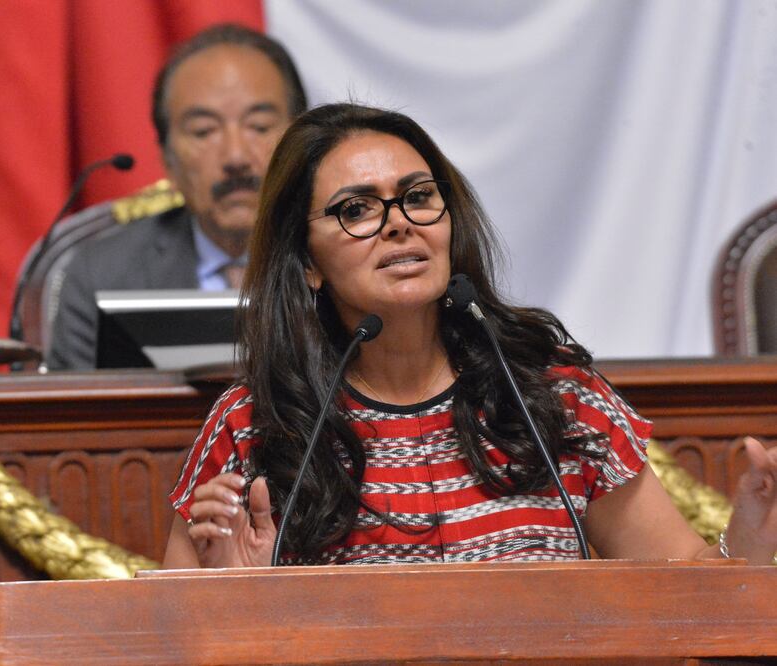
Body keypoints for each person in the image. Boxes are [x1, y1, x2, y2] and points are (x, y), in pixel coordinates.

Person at [162, 103, 777, 568]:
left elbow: (691, 602)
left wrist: (752, 536)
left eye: (418, 197)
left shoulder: (552, 394)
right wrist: (230, 597)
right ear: (307, 264)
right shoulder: (254, 426)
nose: (398, 224)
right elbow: (174, 639)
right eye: (356, 210)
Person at [47, 24, 307, 370]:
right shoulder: (102, 277)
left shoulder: (352, 259)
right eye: (204, 131)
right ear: (167, 159)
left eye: (259, 126)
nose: (236, 157)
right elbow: (77, 420)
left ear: (302, 142)